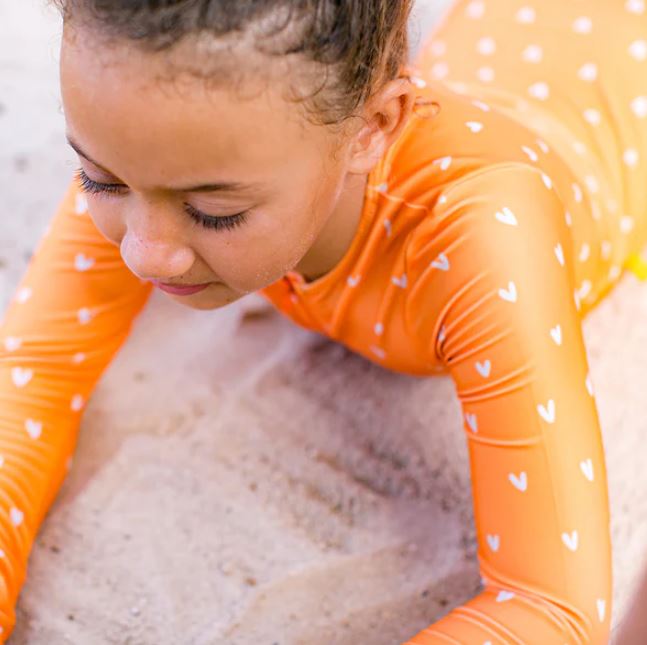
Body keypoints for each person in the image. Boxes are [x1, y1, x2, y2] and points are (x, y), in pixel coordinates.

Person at [1, 0, 646, 641]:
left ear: (373, 128)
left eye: (216, 214)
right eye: (98, 180)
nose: (144, 252)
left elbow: (551, 608)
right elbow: (31, 377)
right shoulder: (155, 152)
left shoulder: (481, 237)